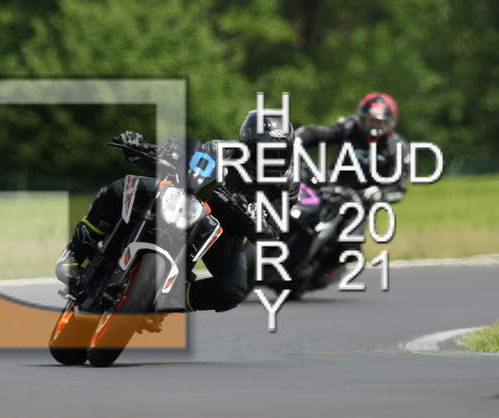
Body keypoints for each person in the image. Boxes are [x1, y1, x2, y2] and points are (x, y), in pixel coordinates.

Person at [55, 110, 299, 315]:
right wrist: (142, 150)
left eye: (282, 153)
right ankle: (73, 254)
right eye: (267, 152)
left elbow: (275, 230)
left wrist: (258, 222)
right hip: (186, 203)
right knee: (122, 187)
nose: (274, 160)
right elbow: (183, 162)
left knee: (233, 290)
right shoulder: (220, 150)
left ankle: (166, 300)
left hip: (225, 232)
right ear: (247, 146)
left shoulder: (288, 184)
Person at [294, 92, 410, 287]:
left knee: (351, 244)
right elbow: (317, 134)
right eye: (369, 121)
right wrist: (296, 140)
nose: (373, 126)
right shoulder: (349, 127)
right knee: (293, 186)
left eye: (379, 122)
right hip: (330, 184)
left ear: (390, 123)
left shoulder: (397, 148)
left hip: (360, 200)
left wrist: (379, 192)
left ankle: (323, 270)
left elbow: (398, 187)